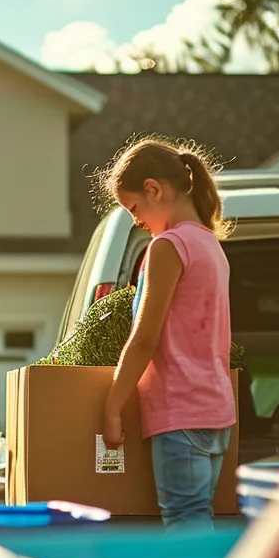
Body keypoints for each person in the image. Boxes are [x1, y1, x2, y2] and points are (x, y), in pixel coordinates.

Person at [100, 137, 236, 531]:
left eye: (134, 208)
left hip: (181, 414)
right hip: (215, 412)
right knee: (197, 520)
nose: (135, 220)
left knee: (184, 526)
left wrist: (112, 407)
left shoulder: (167, 247)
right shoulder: (210, 246)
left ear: (154, 188)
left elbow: (145, 337)